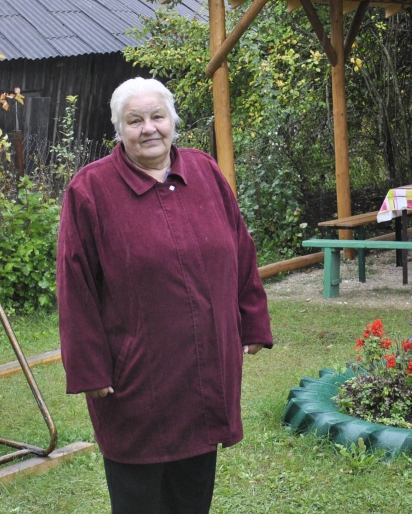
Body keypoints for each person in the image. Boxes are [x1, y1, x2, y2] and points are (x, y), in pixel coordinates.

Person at [57, 77, 272, 514]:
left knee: (194, 492)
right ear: (119, 129)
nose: (149, 128)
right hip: (136, 376)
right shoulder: (90, 190)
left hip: (205, 366)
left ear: (173, 120)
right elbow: (74, 287)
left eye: (157, 116)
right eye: (135, 121)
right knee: (139, 497)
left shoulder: (204, 172)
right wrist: (89, 369)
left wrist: (252, 319)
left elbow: (240, 249)